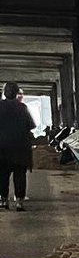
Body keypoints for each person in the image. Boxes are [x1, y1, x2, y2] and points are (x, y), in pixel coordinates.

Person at [0, 82, 34, 211]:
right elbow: (31, 125)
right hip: (20, 147)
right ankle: (19, 202)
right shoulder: (22, 107)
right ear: (16, 93)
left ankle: (3, 200)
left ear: (4, 92)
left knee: (2, 175)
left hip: (2, 148)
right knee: (20, 175)